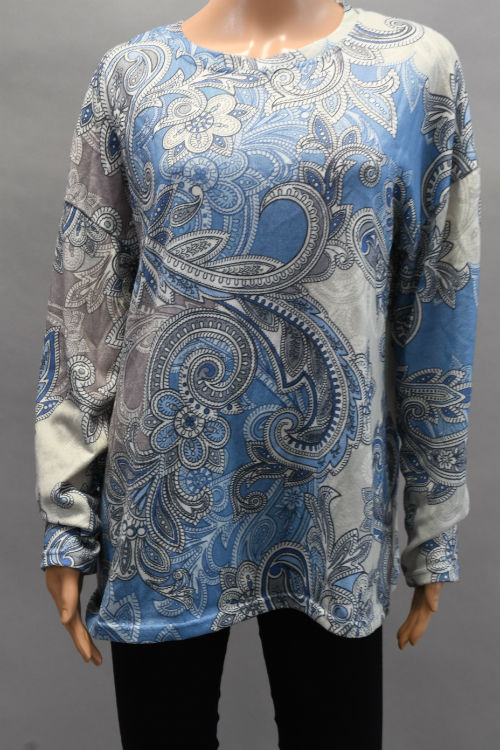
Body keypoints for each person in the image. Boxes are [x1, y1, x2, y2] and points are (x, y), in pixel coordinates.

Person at [34, 1, 481, 748]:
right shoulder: (132, 75)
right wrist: (67, 516)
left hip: (331, 504)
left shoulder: (416, 68)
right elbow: (88, 303)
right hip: (166, 497)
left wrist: (433, 520)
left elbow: (438, 298)